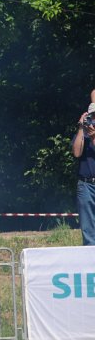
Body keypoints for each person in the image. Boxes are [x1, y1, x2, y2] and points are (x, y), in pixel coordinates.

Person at [72, 98, 95, 245]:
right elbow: (76, 153)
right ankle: (90, 259)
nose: (93, 120)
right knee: (88, 228)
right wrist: (81, 128)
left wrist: (93, 137)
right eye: (92, 116)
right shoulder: (83, 134)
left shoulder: (91, 136)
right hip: (85, 185)